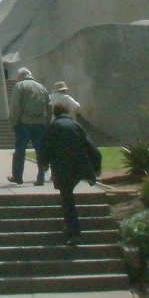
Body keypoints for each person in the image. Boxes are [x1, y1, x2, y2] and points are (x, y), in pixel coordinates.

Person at [38, 104, 102, 246]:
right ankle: (70, 225)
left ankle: (74, 232)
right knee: (68, 196)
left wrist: (44, 164)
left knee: (67, 198)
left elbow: (45, 147)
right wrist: (96, 167)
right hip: (79, 167)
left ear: (54, 114)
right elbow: (91, 147)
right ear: (66, 112)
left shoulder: (53, 127)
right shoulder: (76, 126)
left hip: (63, 168)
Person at [7, 67, 50, 186]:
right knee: (40, 151)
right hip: (40, 123)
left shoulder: (19, 86)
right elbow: (49, 105)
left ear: (21, 76)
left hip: (23, 123)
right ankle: (41, 177)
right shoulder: (42, 87)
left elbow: (15, 106)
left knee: (20, 151)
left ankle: (17, 176)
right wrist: (47, 122)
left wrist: (13, 122)